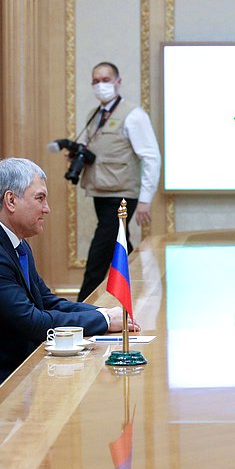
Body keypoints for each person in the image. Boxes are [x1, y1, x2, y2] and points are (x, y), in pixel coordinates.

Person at [0, 158, 139, 426]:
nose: (47, 209)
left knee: (74, 395)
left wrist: (104, 314)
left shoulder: (11, 242)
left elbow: (45, 302)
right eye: (40, 198)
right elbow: (33, 322)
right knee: (69, 410)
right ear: (11, 200)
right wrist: (104, 321)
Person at [72, 61, 161, 302]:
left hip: (122, 195)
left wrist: (144, 200)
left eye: (106, 80)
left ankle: (79, 310)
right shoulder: (94, 115)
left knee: (98, 255)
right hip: (100, 193)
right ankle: (141, 294)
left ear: (118, 82)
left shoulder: (133, 114)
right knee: (119, 247)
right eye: (96, 81)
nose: (101, 85)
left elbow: (151, 157)